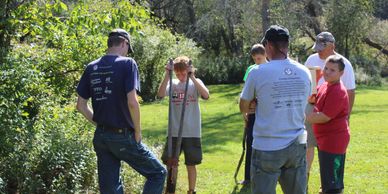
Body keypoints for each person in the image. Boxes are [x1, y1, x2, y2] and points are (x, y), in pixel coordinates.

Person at [76, 29, 166, 194]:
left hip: (101, 138)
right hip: (122, 137)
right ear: (125, 43)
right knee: (158, 173)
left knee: (110, 189)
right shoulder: (127, 63)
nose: (127, 52)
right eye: (127, 48)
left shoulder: (91, 67)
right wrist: (138, 132)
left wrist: (101, 124)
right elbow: (132, 102)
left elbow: (81, 106)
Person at [240, 25, 311, 194]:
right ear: (286, 45)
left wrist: (254, 105)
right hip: (297, 143)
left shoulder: (257, 72)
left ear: (269, 46)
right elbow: (305, 101)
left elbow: (243, 106)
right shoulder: (304, 71)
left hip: (267, 144)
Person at [304, 32, 356, 186]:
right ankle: (305, 182)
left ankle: (328, 185)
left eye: (322, 47)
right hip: (314, 107)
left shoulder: (342, 65)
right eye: (326, 69)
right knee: (308, 148)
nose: (318, 51)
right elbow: (308, 84)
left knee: (329, 158)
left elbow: (350, 91)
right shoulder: (312, 61)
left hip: (329, 118)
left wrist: (347, 116)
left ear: (332, 45)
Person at [157, 56, 209, 194]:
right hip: (173, 131)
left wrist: (192, 77)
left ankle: (191, 190)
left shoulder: (195, 82)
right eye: (177, 73)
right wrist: (167, 75)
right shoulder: (172, 83)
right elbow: (160, 94)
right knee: (171, 162)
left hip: (191, 131)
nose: (180, 76)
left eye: (183, 73)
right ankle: (170, 189)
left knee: (191, 163)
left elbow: (206, 95)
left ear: (189, 71)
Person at [306, 55, 350, 194]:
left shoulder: (338, 91)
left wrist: (302, 117)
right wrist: (312, 97)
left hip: (334, 141)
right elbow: (315, 100)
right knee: (328, 178)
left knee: (333, 182)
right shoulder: (325, 85)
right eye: (326, 68)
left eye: (332, 70)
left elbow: (324, 117)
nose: (327, 72)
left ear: (341, 73)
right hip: (325, 140)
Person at [240, 43, 267, 185]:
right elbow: (246, 90)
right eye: (255, 59)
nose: (258, 61)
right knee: (250, 142)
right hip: (252, 112)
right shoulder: (251, 69)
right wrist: (245, 111)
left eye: (260, 58)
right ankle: (248, 177)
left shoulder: (269, 69)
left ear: (265, 56)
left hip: (266, 112)